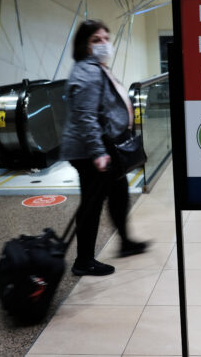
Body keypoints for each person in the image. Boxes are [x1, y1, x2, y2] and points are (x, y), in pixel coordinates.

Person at [61, 19, 148, 276]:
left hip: (104, 147)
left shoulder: (98, 68)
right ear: (84, 45)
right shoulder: (87, 71)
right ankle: (83, 261)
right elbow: (86, 116)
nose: (104, 44)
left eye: (106, 39)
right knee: (92, 204)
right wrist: (98, 152)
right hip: (90, 153)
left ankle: (126, 242)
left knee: (119, 194)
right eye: (96, 40)